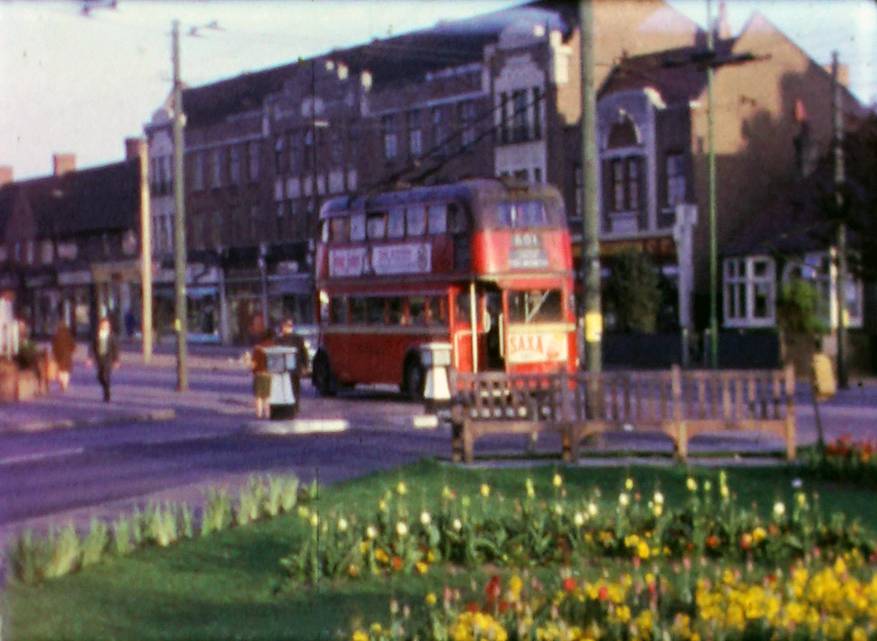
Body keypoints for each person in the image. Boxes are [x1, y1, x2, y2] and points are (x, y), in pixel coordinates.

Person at [90, 316, 119, 403]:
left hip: (108, 358)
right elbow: (92, 347)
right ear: (100, 325)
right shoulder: (97, 335)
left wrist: (116, 360)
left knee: (106, 375)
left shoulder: (111, 336)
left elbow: (115, 348)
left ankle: (107, 393)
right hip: (99, 358)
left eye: (106, 325)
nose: (105, 326)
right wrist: (90, 357)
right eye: (103, 325)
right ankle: (105, 387)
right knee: (99, 376)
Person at [276, 318, 306, 402]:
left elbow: (303, 353)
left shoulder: (298, 338)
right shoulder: (279, 339)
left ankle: (295, 403)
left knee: (295, 387)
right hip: (283, 368)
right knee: (286, 388)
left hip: (295, 367)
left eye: (289, 326)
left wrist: (305, 366)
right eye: (284, 326)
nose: (285, 328)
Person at [251, 329, 274, 419]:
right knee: (267, 396)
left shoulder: (258, 348)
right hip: (270, 374)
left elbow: (254, 363)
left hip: (259, 374)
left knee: (258, 396)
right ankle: (268, 413)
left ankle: (259, 414)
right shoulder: (274, 347)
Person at [51, 321, 75, 392]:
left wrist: (54, 353)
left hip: (58, 355)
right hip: (67, 355)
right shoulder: (69, 335)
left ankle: (62, 382)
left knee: (60, 370)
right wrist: (70, 351)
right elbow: (73, 345)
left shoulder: (56, 335)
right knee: (66, 371)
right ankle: (65, 383)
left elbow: (53, 346)